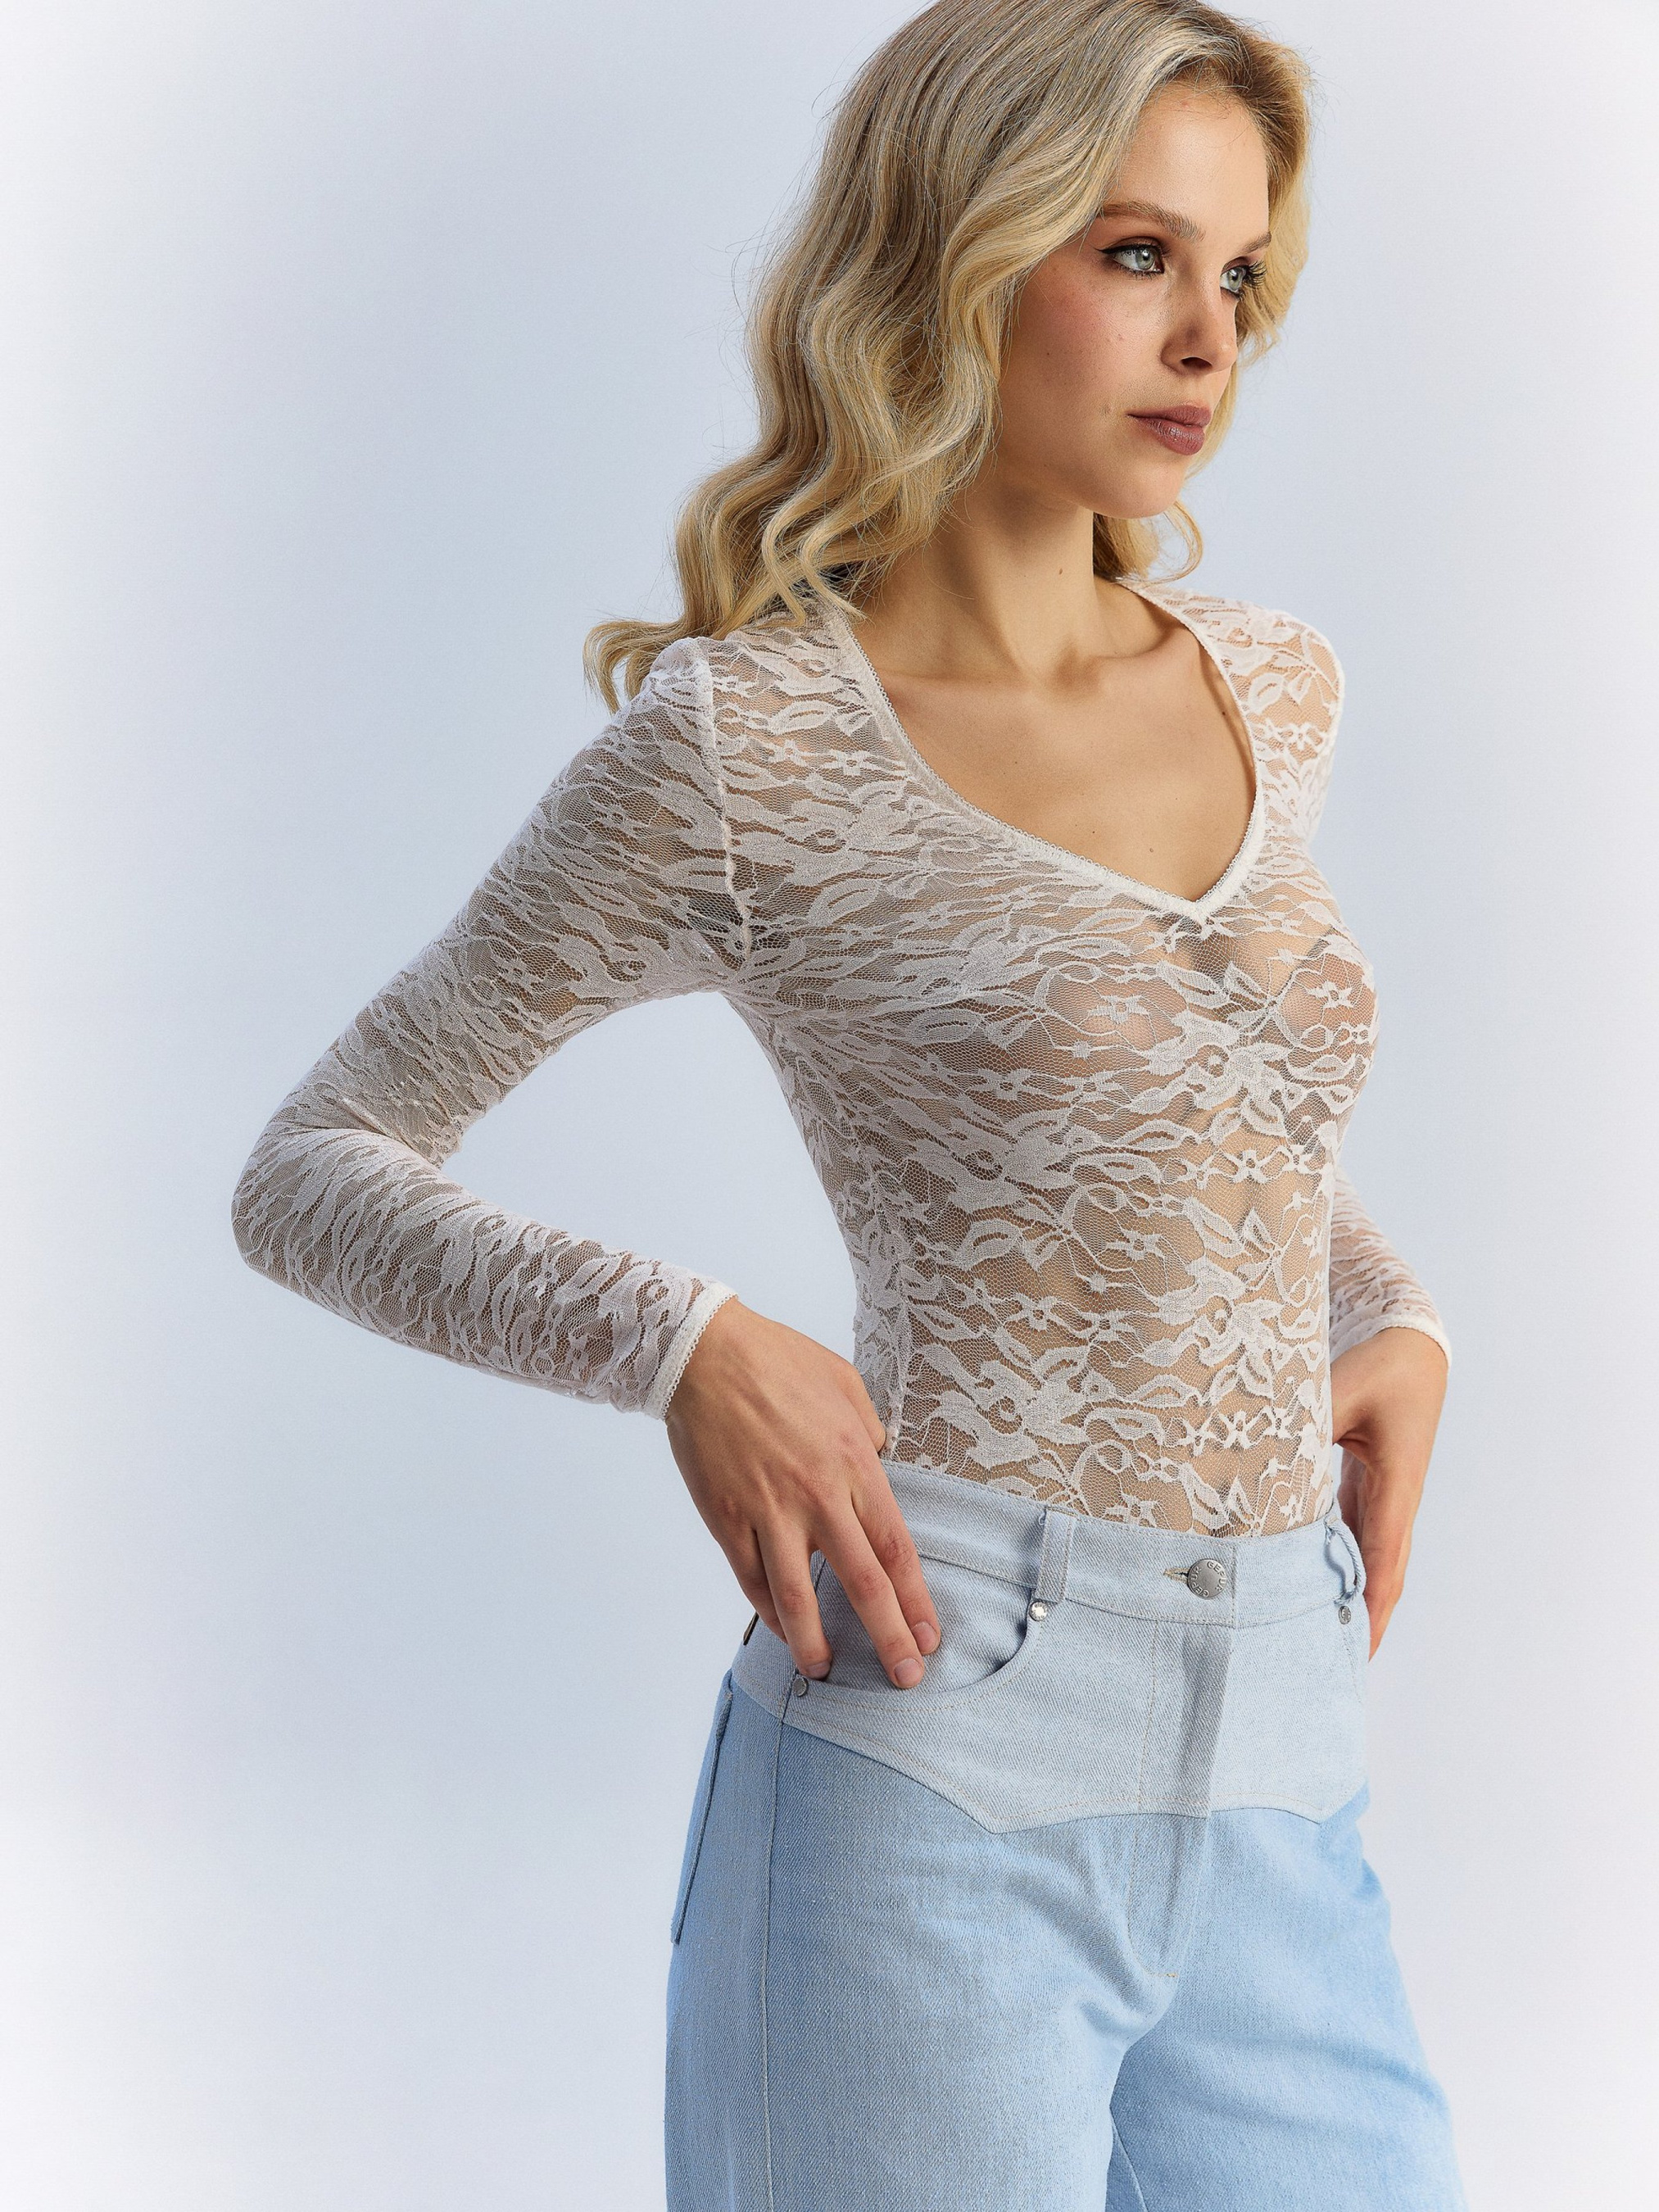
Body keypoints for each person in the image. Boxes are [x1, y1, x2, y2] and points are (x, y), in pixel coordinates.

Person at [230, 1, 1467, 2204]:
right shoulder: (748, 747)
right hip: (943, 1736)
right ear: (956, 249)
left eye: (1238, 272)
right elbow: (314, 1168)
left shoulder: (1272, 684)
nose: (1208, 336)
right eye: (1133, 254)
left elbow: (1206, 1098)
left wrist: (1387, 1308)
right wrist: (685, 1343)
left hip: (1287, 1745)